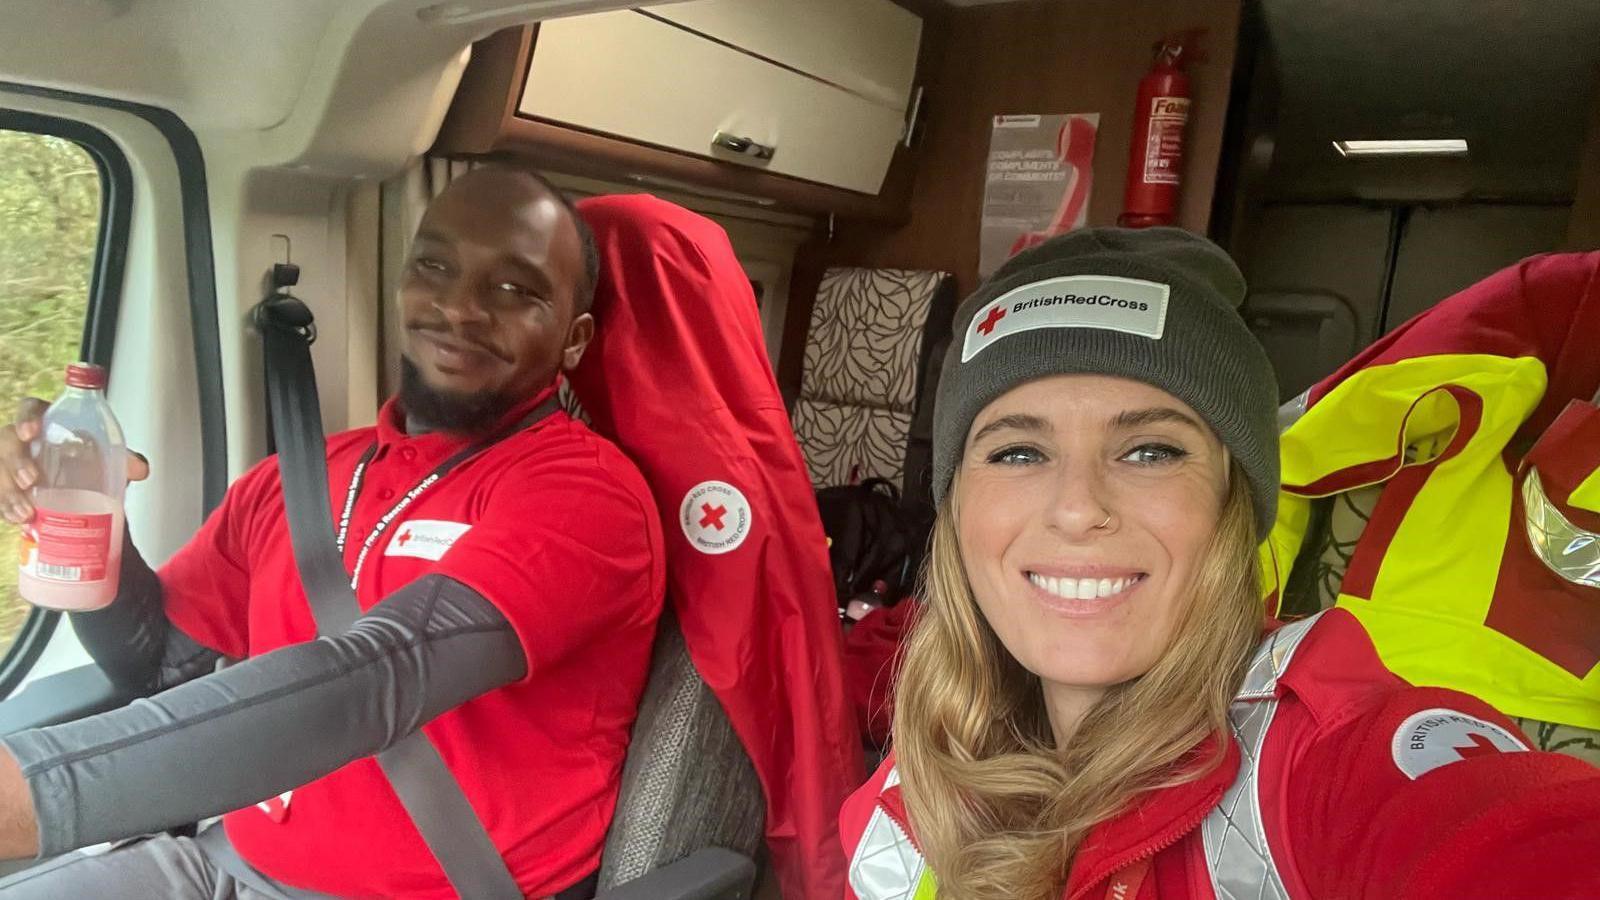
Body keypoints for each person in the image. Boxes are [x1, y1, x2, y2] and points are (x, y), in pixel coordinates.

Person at [839, 228, 1600, 900]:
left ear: (1233, 509)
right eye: (1017, 451)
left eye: (1150, 450)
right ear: (958, 508)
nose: (1076, 508)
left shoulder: (1336, 765)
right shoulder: (918, 772)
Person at [0, 161, 665, 898]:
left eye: (515, 290)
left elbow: (379, 678)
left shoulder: (589, 497)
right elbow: (158, 666)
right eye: (434, 266)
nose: (461, 308)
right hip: (221, 864)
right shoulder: (293, 479)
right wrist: (82, 517)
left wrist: (41, 792)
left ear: (573, 340)